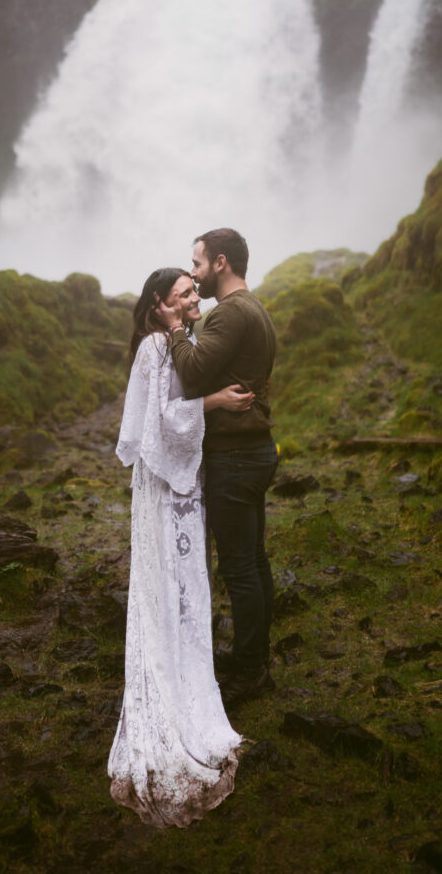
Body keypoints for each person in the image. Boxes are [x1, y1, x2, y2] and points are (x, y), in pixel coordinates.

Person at [108, 267, 254, 828]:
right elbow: (156, 424)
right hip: (163, 487)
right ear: (160, 305)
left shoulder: (182, 342)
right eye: (185, 294)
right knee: (167, 582)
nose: (196, 297)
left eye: (194, 291)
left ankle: (195, 680)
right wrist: (214, 401)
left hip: (184, 486)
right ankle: (165, 696)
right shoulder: (153, 348)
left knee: (190, 584)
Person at [157, 229, 278, 709]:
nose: (193, 274)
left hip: (235, 456)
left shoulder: (229, 312)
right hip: (255, 450)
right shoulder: (257, 308)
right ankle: (256, 658)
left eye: (198, 265)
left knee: (239, 568)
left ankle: (250, 670)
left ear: (221, 263)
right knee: (256, 562)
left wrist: (173, 330)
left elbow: (196, 371)